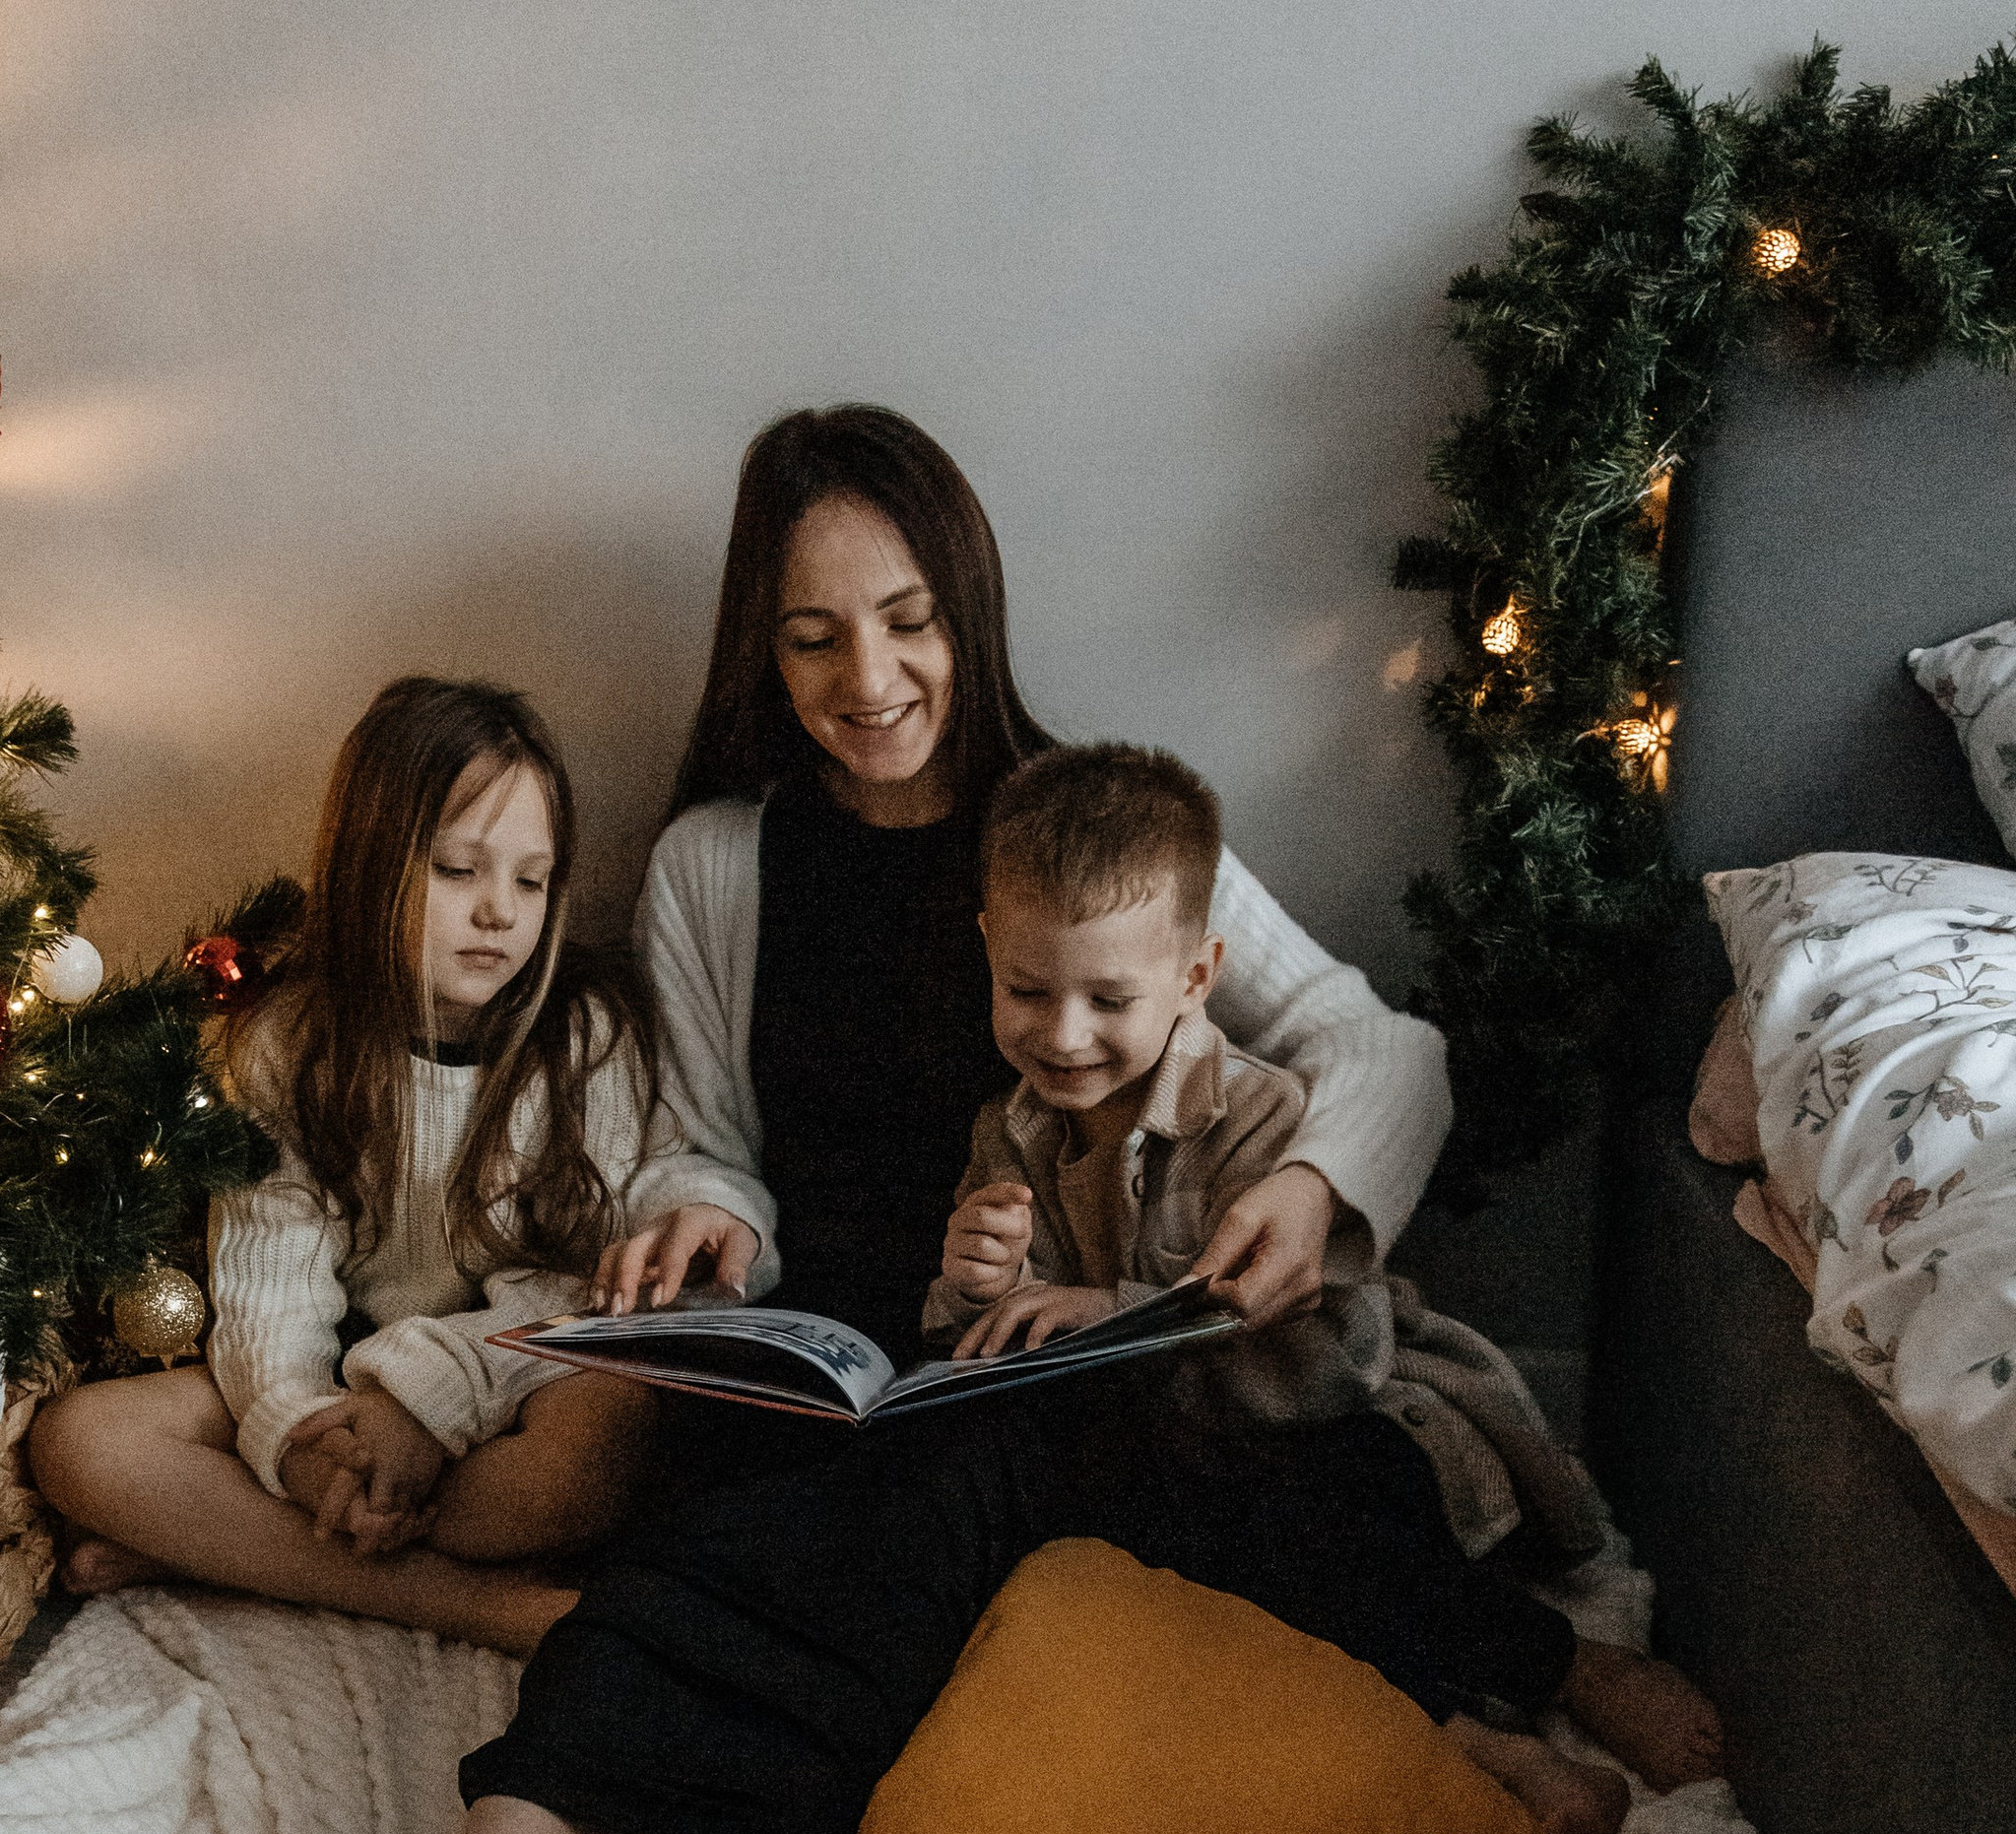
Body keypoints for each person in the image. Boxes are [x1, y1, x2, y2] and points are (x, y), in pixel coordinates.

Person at [298, 743, 1723, 1834]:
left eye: (1107, 1006)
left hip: (1260, 1447)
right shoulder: (979, 1094)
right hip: (1026, 1458)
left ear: (1197, 976)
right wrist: (967, 1291)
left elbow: (1330, 1358)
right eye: (1029, 997)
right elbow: (896, 1282)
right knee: (796, 1534)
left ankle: (1533, 1677)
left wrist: (1170, 1293)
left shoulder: (1247, 1103)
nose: (1066, 1037)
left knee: (1325, 1535)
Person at [596, 402, 1451, 1368]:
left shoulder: (1087, 839)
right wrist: (707, 1211)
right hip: (813, 1343)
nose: (869, 680)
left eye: (908, 620)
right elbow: (701, 1145)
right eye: (812, 638)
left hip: (1030, 1356)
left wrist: (1313, 1189)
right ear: (767, 652)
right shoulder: (709, 865)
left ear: (967, 611)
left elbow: (1384, 1047)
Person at [30, 679, 663, 1654]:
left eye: (531, 881)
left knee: (591, 1456)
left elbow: (575, 1286)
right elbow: (266, 1287)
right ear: (374, 866)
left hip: (512, 1373)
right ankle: (465, 1604)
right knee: (81, 1443)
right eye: (459, 870)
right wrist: (302, 1441)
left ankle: (232, 1549)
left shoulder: (584, 1033)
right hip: (338, 1384)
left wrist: (421, 1404)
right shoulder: (289, 1040)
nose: (500, 912)